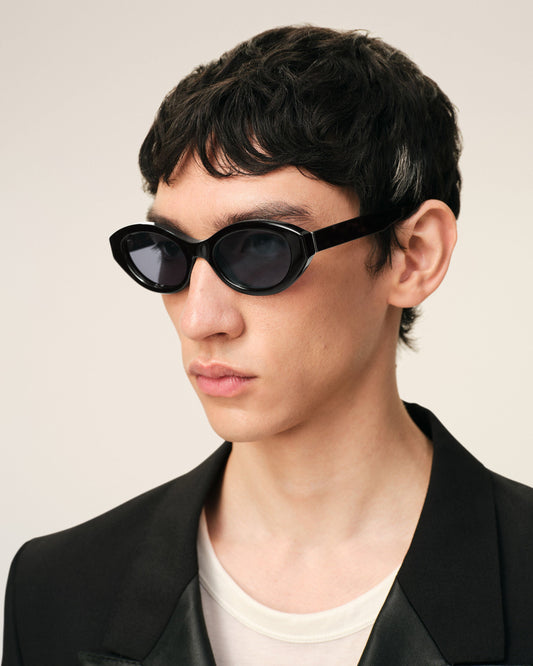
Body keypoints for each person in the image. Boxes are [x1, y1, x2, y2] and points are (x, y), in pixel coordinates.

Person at [3, 25, 533, 666]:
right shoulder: (55, 591)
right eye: (169, 252)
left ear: (413, 255)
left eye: (260, 247)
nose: (200, 318)